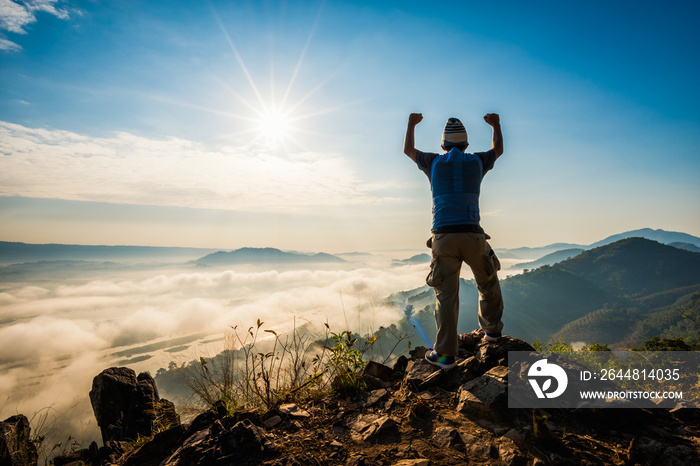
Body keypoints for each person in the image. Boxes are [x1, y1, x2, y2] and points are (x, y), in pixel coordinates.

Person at [403, 112, 505, 369]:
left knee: (446, 297)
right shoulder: (478, 162)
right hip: (472, 234)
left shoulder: (432, 162)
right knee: (488, 281)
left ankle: (446, 355)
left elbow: (408, 150)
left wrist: (411, 124)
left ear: (443, 145)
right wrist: (495, 124)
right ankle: (492, 332)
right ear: (467, 145)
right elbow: (498, 149)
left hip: (443, 237)